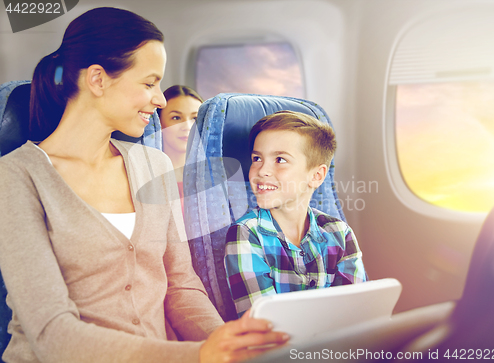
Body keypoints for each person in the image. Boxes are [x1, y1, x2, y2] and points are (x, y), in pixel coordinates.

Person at [0, 7, 288, 363]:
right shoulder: (16, 176)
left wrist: (226, 345)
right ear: (98, 79)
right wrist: (199, 355)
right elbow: (52, 333)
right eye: (149, 82)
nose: (161, 99)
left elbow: (181, 287)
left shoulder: (153, 165)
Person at [224, 110, 367, 317]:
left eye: (280, 160)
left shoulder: (340, 234)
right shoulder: (246, 234)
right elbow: (264, 325)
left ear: (316, 176)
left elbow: (356, 314)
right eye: (257, 158)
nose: (262, 170)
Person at [159, 85, 203, 210]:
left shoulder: (214, 177)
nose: (187, 126)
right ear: (160, 123)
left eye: (195, 118)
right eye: (176, 118)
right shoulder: (142, 176)